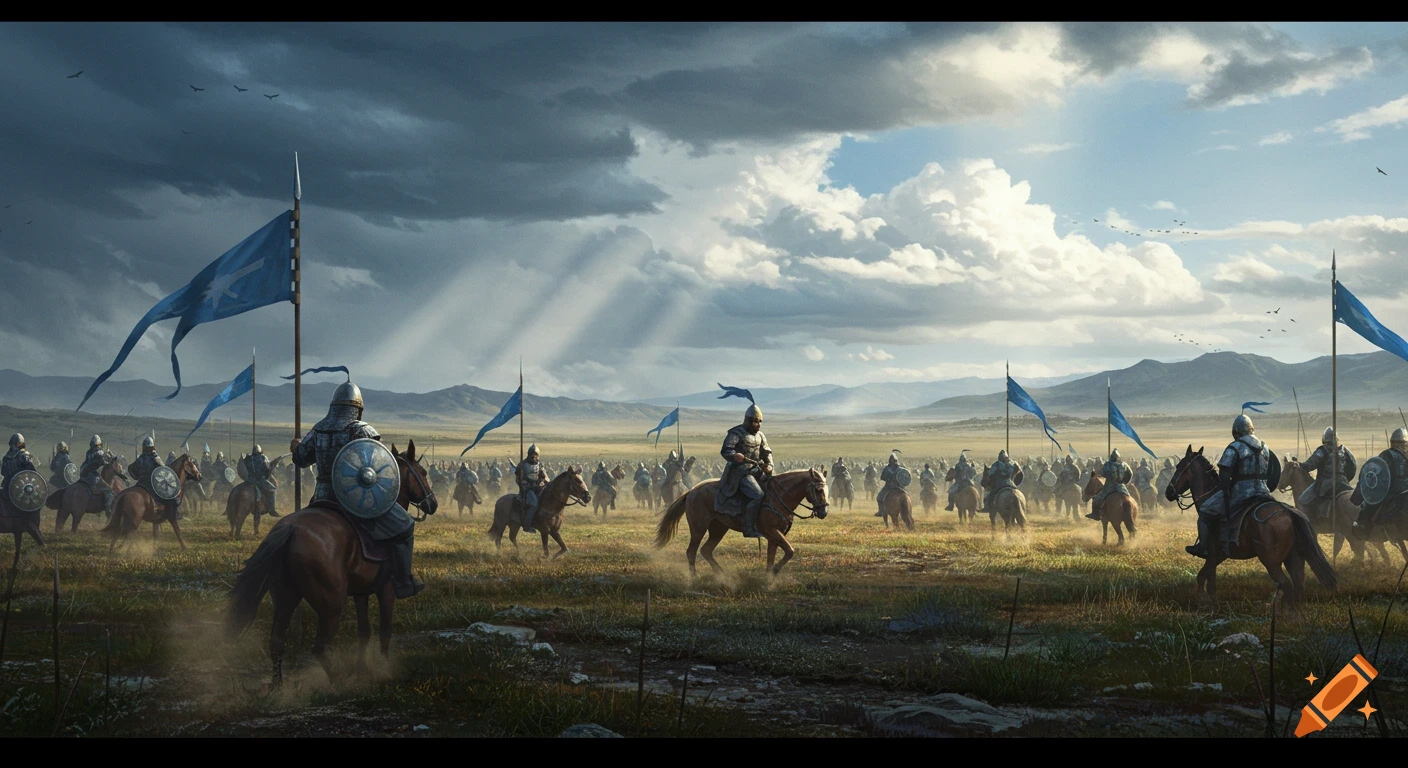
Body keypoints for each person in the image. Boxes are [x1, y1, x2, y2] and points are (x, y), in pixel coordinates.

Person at [290, 381, 425, 599]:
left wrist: (295, 446)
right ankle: (402, 581)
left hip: (322, 497)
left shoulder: (318, 429)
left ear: (333, 406)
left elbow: (300, 459)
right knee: (405, 525)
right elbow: (373, 466)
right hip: (356, 499)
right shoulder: (362, 431)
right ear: (357, 409)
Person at [1187, 414, 1279, 558]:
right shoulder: (1265, 447)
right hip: (1264, 492)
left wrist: (1226, 489)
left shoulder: (1234, 447)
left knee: (1205, 510)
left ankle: (1204, 548)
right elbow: (1272, 472)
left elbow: (1224, 478)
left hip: (1242, 494)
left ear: (1236, 432)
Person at [716, 404, 772, 538]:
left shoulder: (760, 436)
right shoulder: (736, 433)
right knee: (758, 495)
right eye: (754, 421)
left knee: (773, 490)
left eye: (759, 421)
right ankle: (748, 528)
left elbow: (767, 452)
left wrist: (769, 464)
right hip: (739, 473)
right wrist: (735, 455)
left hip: (757, 471)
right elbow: (726, 450)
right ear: (747, 420)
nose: (757, 424)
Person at [1355, 428, 1408, 538]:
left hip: (1391, 490)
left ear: (1392, 442)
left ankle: (1363, 527)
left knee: (1370, 504)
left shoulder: (1387, 455)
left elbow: (1377, 472)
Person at [1298, 427, 1356, 519]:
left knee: (1303, 500)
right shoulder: (1345, 451)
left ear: (1324, 438)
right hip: (1343, 482)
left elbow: (1309, 466)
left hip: (1325, 484)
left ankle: (1312, 523)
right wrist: (1345, 478)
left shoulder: (1322, 451)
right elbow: (1353, 467)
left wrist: (1299, 465)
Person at [129, 435, 181, 522]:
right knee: (172, 498)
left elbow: (133, 468)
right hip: (152, 483)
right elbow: (164, 469)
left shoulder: (140, 458)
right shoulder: (155, 457)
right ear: (152, 447)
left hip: (141, 483)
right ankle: (174, 515)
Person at [79, 435, 118, 517]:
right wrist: (113, 456)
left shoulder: (88, 452)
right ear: (100, 444)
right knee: (109, 491)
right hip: (93, 478)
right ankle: (108, 511)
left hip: (84, 477)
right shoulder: (100, 453)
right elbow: (109, 462)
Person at [1087, 449, 1132, 521]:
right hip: (1121, 487)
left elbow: (1102, 474)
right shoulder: (1124, 464)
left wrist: (1097, 474)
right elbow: (1130, 474)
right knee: (1130, 499)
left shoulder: (1108, 464)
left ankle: (1095, 514)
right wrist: (1125, 482)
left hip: (1109, 486)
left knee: (1096, 499)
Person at [516, 445, 548, 533]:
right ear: (529, 454)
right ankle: (527, 525)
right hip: (527, 489)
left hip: (538, 487)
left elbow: (544, 475)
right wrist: (524, 484)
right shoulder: (522, 465)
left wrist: (544, 481)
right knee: (534, 504)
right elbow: (518, 479)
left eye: (536, 454)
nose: (534, 456)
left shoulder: (539, 464)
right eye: (532, 454)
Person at [247, 444, 279, 518]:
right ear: (259, 450)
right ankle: (272, 510)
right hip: (259, 480)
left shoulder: (249, 458)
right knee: (273, 489)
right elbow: (268, 467)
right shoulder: (262, 457)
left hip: (249, 480)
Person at [1, 433, 35, 500]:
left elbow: (3, 472)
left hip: (6, 486)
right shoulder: (24, 455)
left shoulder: (6, 457)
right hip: (21, 486)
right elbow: (32, 471)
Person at [876, 452, 907, 517]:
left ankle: (881, 511)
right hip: (900, 487)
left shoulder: (887, 468)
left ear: (890, 461)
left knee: (879, 497)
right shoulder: (901, 469)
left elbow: (882, 477)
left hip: (889, 486)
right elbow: (905, 478)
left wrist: (888, 479)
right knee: (906, 495)